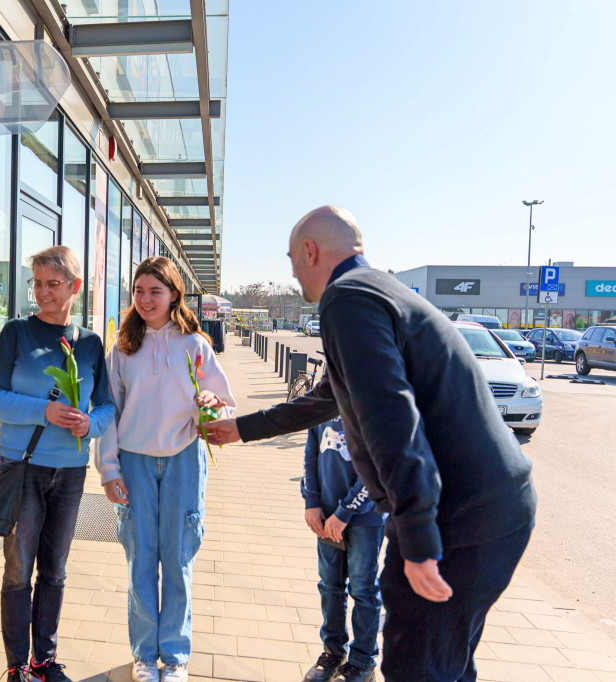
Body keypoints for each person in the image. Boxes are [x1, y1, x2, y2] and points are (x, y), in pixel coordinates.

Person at [203, 206, 536, 682]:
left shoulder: (346, 299)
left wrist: (420, 541)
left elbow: (392, 419)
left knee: (415, 666)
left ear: (310, 252)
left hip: (455, 517)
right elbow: (325, 400)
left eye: (292, 259)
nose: (293, 273)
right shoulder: (378, 291)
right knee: (447, 663)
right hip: (490, 509)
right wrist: (242, 428)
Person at [96, 257, 235, 682]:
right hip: (134, 463)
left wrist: (213, 405)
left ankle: (174, 658)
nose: (144, 300)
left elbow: (226, 402)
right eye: (138, 291)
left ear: (174, 294)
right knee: (141, 559)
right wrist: (107, 468)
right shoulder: (121, 348)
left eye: (155, 291)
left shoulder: (195, 345)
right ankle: (144, 655)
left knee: (177, 560)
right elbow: (108, 412)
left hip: (183, 462)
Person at [0, 245, 115, 682]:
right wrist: (45, 411)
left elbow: (108, 407)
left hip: (70, 474)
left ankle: (44, 662)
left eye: (52, 284)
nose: (42, 293)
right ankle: (16, 666)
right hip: (22, 467)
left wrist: (89, 425)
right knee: (18, 570)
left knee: (54, 570)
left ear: (74, 287)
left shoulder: (91, 343)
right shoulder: (15, 333)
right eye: (36, 283)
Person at [300, 416, 385, 682]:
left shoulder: (375, 398)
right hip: (325, 515)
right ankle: (334, 652)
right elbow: (310, 452)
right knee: (329, 585)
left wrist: (346, 510)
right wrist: (311, 500)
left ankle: (362, 662)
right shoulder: (324, 400)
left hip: (365, 517)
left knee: (363, 589)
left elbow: (377, 465)